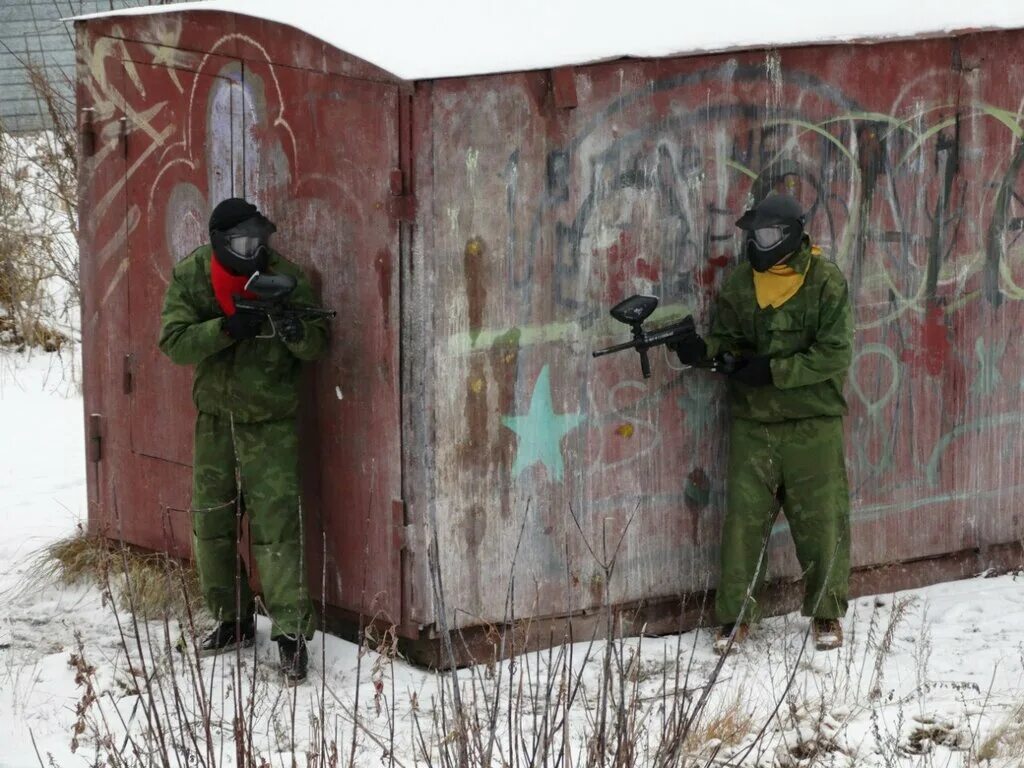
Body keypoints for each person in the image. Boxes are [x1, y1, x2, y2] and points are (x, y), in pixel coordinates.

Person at [673, 192, 854, 654]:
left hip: (812, 423)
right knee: (743, 524)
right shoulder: (742, 283)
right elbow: (728, 340)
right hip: (755, 422)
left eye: (769, 234)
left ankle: (827, 613)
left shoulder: (824, 281)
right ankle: (735, 620)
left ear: (793, 234)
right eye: (754, 235)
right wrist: (701, 352)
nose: (759, 243)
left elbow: (834, 354)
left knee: (821, 522)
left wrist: (772, 371)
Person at [159, 197, 328, 684]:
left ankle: (291, 635)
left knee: (276, 530)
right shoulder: (193, 276)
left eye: (259, 240)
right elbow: (173, 342)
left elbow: (317, 345)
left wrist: (294, 329)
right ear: (218, 242)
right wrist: (227, 328)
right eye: (241, 243)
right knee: (211, 524)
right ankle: (232, 619)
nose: (252, 250)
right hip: (215, 420)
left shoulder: (285, 276)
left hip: (269, 422)